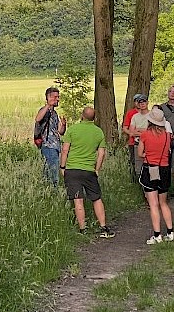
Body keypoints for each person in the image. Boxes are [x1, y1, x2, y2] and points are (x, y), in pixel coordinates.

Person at [60, 107, 114, 238]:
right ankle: (103, 227)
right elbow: (101, 153)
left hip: (72, 169)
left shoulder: (73, 130)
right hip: (89, 170)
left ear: (82, 116)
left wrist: (62, 167)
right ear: (94, 118)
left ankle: (83, 229)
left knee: (78, 199)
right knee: (96, 198)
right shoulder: (98, 132)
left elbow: (65, 150)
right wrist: (97, 169)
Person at [137, 107, 174, 244]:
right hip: (164, 168)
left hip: (150, 169)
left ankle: (157, 235)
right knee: (163, 203)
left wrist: (148, 154)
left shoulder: (145, 135)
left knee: (153, 204)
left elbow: (140, 153)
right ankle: (170, 232)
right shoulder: (167, 135)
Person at [34, 87, 66, 187]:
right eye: (55, 97)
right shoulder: (44, 111)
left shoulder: (54, 113)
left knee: (49, 172)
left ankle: (47, 190)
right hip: (48, 146)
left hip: (55, 146)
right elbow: (38, 119)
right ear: (49, 97)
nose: (58, 99)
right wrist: (48, 105)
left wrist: (64, 125)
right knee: (53, 174)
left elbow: (60, 132)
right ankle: (53, 191)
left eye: (58, 97)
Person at [123, 94, 149, 181]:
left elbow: (152, 132)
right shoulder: (133, 115)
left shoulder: (151, 115)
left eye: (143, 102)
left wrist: (139, 130)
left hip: (149, 143)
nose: (141, 104)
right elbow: (131, 132)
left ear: (147, 103)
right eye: (139, 102)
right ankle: (138, 183)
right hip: (136, 143)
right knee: (137, 165)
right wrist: (144, 132)